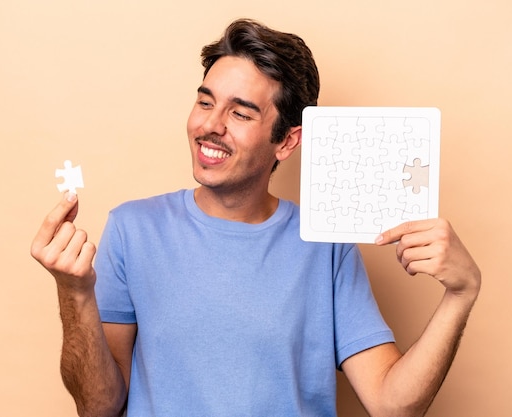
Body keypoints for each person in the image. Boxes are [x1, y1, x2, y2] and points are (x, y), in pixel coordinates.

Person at [31, 18, 481, 417]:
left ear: (286, 142)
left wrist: (461, 294)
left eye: (241, 112)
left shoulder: (326, 245)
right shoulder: (133, 228)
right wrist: (75, 294)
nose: (211, 125)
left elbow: (392, 405)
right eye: (206, 102)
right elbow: (98, 407)